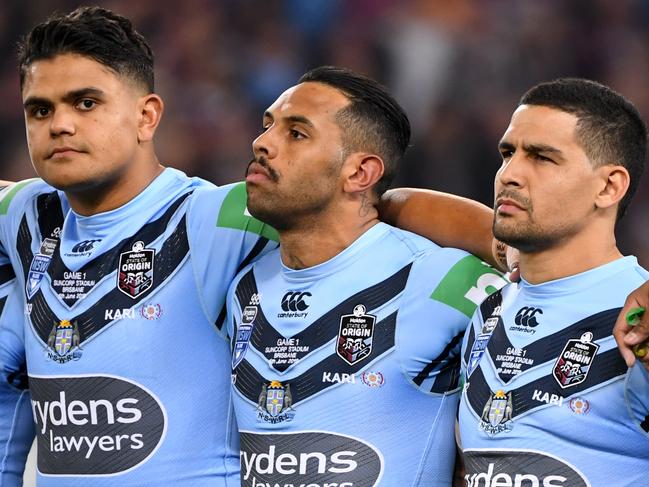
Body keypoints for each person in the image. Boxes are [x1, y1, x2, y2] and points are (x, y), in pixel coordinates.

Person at [0, 7, 509, 486]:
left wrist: (500, 242)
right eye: (39, 109)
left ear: (147, 116)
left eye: (86, 103)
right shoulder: (22, 215)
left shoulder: (213, 218)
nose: (60, 123)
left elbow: (368, 207)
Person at [226, 66, 508, 486]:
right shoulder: (241, 281)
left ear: (360, 174)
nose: (262, 143)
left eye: (296, 133)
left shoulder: (440, 278)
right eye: (267, 126)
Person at [384, 78, 649, 484]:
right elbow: (393, 204)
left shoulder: (638, 314)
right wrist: (499, 243)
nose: (510, 174)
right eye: (508, 154)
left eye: (542, 158)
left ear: (609, 186)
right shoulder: (492, 303)